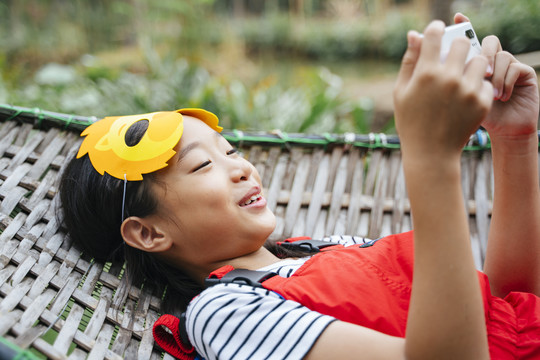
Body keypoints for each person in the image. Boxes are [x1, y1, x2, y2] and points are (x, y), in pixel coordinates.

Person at [59, 13, 540, 360]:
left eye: (231, 152)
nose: (241, 168)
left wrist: (514, 142)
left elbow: (503, 307)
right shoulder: (225, 313)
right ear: (148, 233)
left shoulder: (326, 248)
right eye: (202, 165)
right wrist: (430, 159)